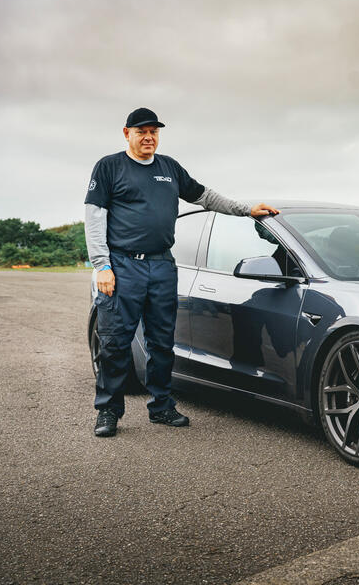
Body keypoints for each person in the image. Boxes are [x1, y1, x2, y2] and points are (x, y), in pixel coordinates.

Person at [85, 107, 279, 437]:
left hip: (162, 265)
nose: (148, 137)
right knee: (115, 342)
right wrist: (102, 265)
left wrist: (245, 209)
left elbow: (205, 196)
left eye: (154, 132)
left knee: (162, 341)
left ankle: (161, 406)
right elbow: (93, 217)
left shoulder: (169, 168)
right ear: (126, 133)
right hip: (122, 266)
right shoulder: (109, 167)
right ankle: (108, 410)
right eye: (141, 131)